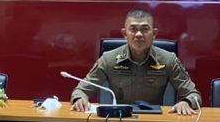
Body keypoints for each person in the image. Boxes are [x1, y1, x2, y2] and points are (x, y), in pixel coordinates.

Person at [70, 9, 201, 115]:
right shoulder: (108, 59)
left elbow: (193, 94)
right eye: (133, 29)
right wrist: (80, 99)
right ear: (124, 33)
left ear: (154, 33)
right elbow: (81, 90)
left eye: (145, 29)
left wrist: (186, 102)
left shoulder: (168, 60)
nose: (138, 34)